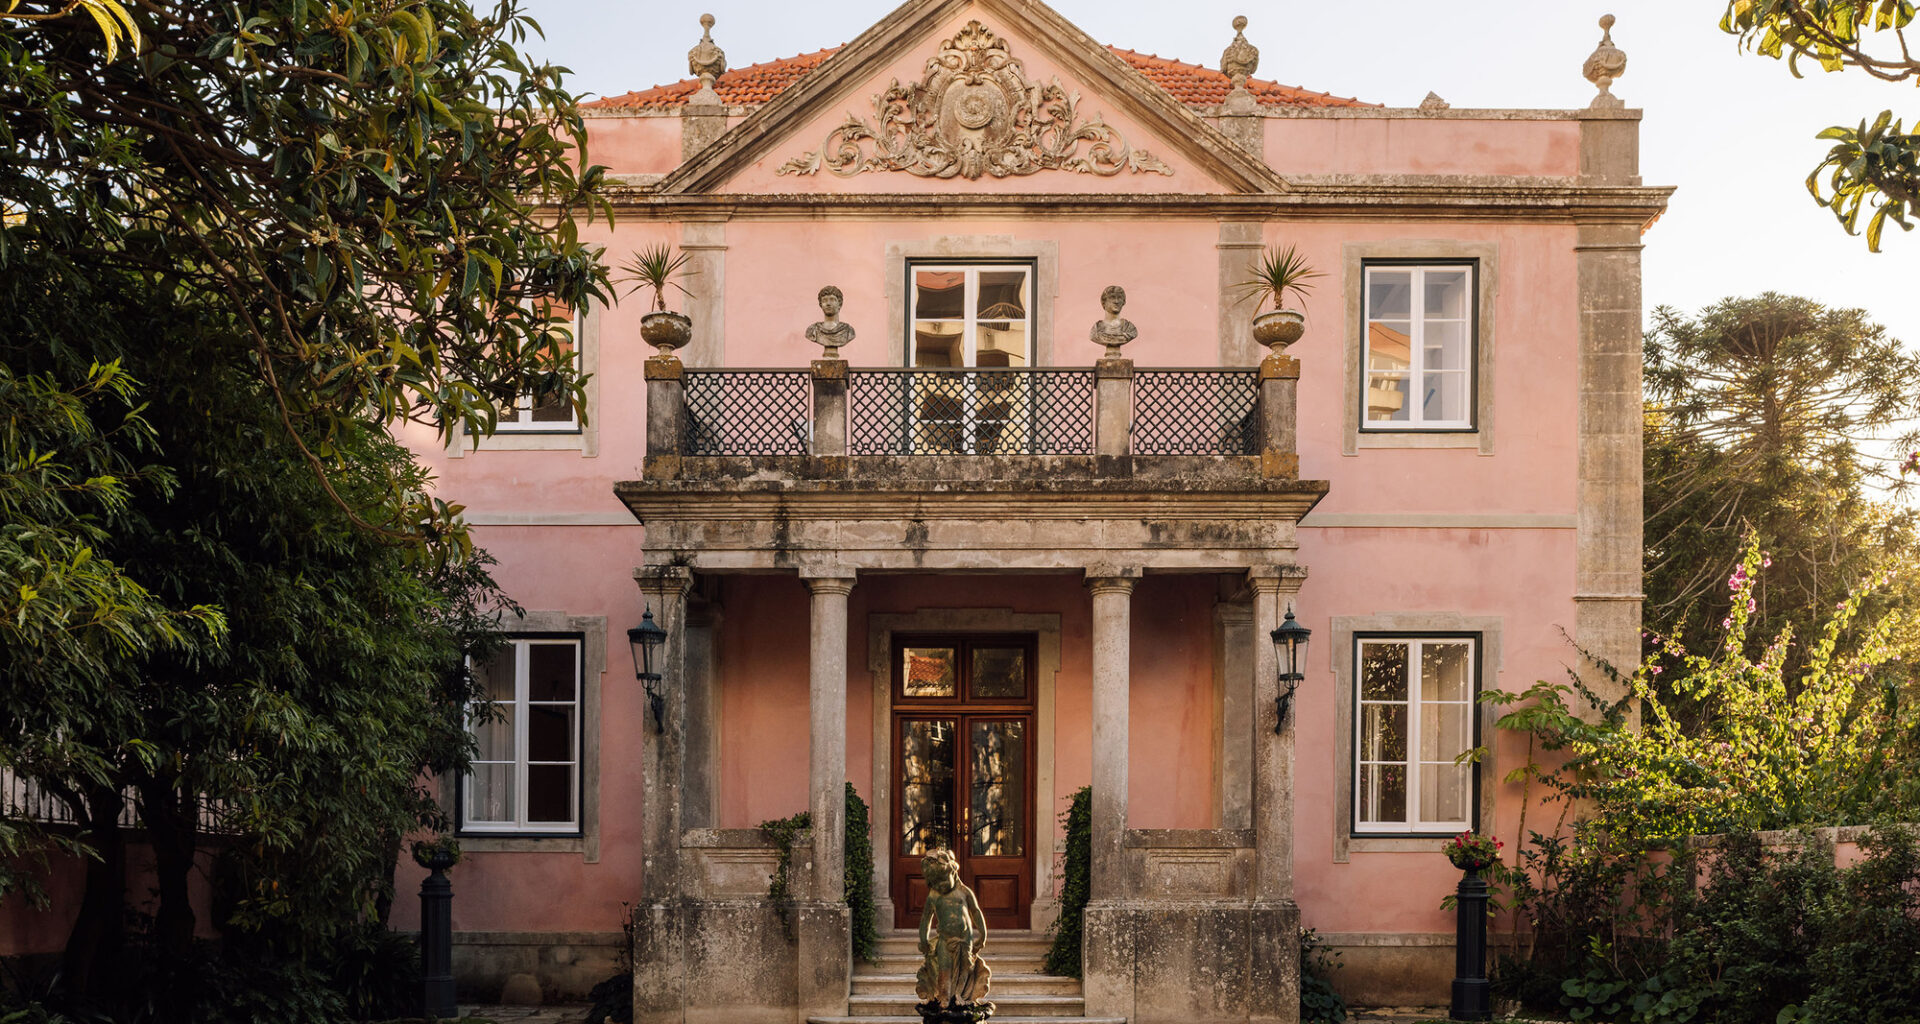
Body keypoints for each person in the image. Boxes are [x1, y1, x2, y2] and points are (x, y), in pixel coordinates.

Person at [915, 848, 991, 1007]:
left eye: (943, 881)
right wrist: (923, 939)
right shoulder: (933, 895)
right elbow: (925, 919)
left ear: (953, 872)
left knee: (965, 969)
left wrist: (983, 934)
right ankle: (944, 998)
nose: (940, 886)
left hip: (965, 939)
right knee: (944, 970)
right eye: (935, 883)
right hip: (945, 940)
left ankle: (960, 997)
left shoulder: (964, 891)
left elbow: (976, 912)